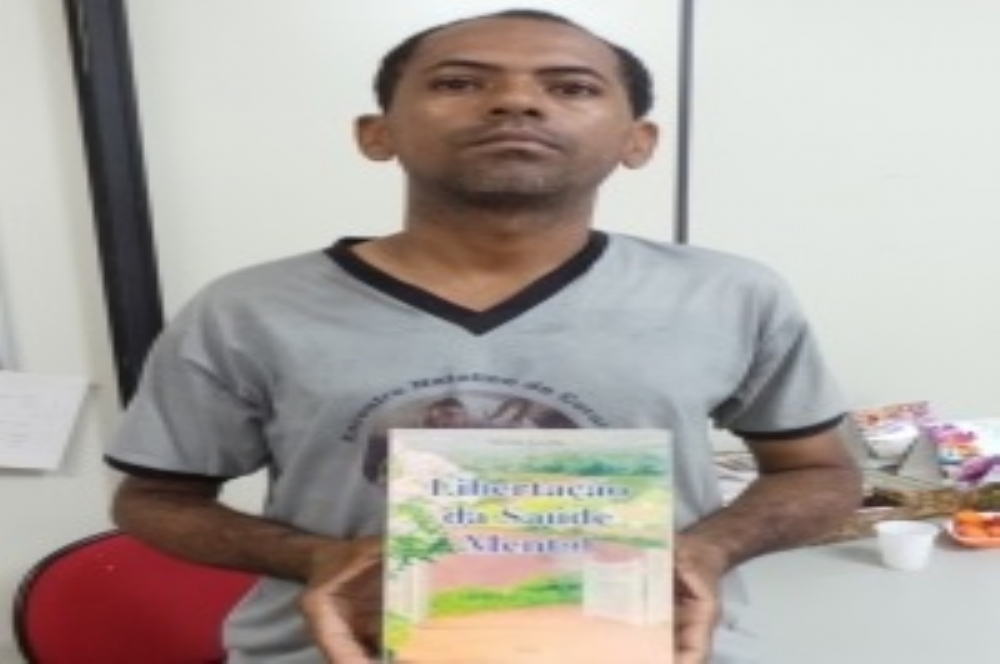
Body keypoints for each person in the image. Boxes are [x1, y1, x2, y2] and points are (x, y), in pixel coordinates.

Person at [106, 8, 862, 664]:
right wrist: (319, 557)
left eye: (571, 88)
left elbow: (821, 473)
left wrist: (710, 548)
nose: (515, 102)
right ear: (378, 133)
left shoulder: (729, 294)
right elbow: (155, 498)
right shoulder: (247, 308)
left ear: (637, 141)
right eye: (459, 82)